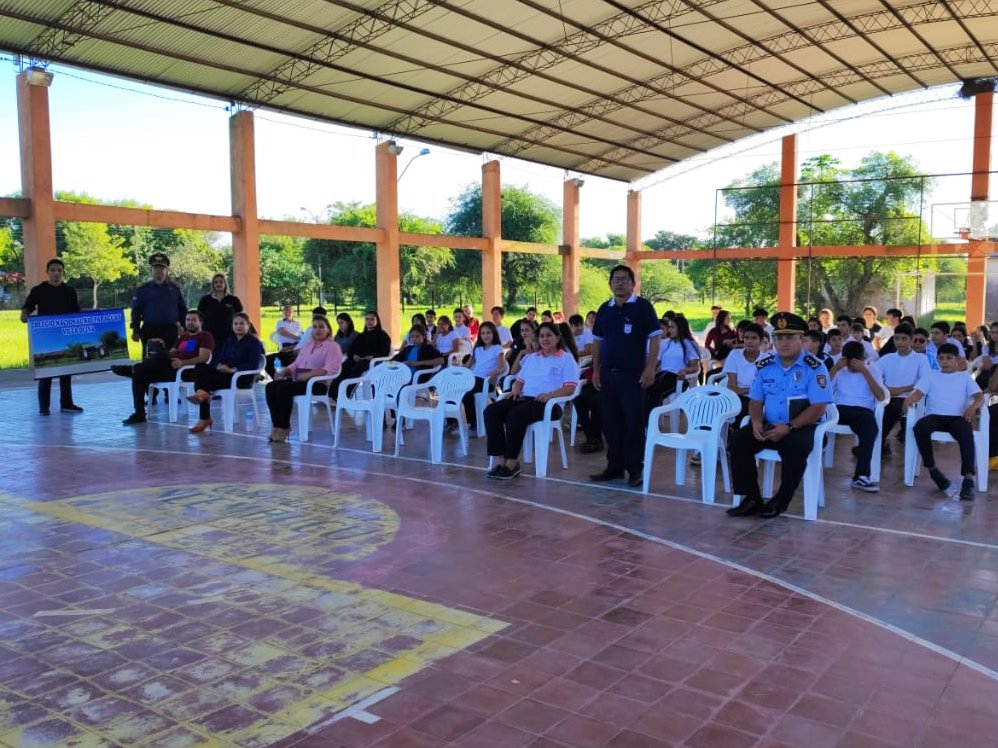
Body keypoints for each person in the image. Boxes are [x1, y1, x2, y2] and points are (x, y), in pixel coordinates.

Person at [727, 312, 833, 519]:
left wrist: (790, 427)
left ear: (801, 340)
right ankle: (751, 497)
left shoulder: (815, 367)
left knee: (795, 448)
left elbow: (819, 407)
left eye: (790, 337)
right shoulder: (765, 366)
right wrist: (756, 421)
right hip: (771, 424)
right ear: (773, 340)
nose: (784, 343)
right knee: (738, 440)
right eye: (779, 338)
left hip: (802, 427)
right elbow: (756, 400)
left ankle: (781, 501)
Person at [590, 265, 661, 487]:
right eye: (616, 279)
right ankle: (614, 467)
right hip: (608, 376)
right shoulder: (605, 309)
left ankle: (635, 469)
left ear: (633, 283)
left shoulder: (643, 307)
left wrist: (650, 368)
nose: (619, 283)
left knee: (633, 423)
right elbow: (597, 341)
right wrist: (595, 369)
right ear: (610, 283)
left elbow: (655, 338)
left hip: (633, 376)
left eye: (624, 280)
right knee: (610, 423)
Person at [484, 322, 580, 480]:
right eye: (541, 336)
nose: (545, 339)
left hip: (550, 404)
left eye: (549, 335)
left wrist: (551, 395)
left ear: (557, 338)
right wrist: (515, 389)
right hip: (525, 398)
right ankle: (502, 461)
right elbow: (519, 380)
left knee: (515, 415)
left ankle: (512, 463)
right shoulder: (532, 358)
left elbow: (570, 387)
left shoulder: (566, 358)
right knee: (492, 411)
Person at [903, 343, 984, 501]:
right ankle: (933, 469)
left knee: (966, 433)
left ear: (957, 360)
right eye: (941, 358)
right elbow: (918, 394)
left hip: (957, 418)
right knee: (920, 427)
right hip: (935, 417)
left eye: (948, 358)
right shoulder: (931, 375)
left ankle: (968, 479)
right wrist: (909, 400)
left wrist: (973, 407)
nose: (944, 361)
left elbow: (979, 397)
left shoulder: (964, 377)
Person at [116, 309, 214, 425]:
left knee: (140, 370)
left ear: (200, 322)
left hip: (187, 371)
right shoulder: (183, 337)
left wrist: (182, 363)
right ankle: (139, 413)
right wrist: (162, 345)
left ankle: (134, 369)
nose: (190, 322)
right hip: (170, 368)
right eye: (188, 320)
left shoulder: (205, 336)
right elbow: (170, 353)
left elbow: (203, 358)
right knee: (141, 373)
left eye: (193, 320)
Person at [265, 315, 344, 443]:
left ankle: (285, 427)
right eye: (314, 327)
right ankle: (277, 426)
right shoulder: (308, 345)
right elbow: (296, 364)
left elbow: (331, 369)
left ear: (328, 330)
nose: (317, 330)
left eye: (321, 327)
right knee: (271, 386)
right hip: (300, 380)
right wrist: (286, 371)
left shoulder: (333, 346)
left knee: (283, 389)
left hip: (318, 383)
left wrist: (310, 375)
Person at [20, 258, 83, 415]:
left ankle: (67, 403)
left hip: (66, 335)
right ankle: (44, 407)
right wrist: (24, 314)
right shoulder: (38, 290)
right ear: (47, 272)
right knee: (45, 373)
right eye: (53, 270)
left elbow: (76, 312)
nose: (56, 273)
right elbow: (27, 307)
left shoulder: (69, 291)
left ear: (63, 272)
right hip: (46, 337)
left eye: (59, 270)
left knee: (66, 371)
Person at [186, 312, 265, 434]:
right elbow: (219, 358)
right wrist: (219, 365)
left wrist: (233, 370)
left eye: (242, 323)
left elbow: (253, 365)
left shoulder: (254, 343)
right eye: (235, 323)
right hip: (225, 375)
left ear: (248, 325)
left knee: (205, 385)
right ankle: (202, 395)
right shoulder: (230, 340)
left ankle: (204, 417)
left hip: (241, 378)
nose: (238, 326)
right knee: (201, 367)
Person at [830, 341, 887, 492]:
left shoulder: (872, 369)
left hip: (863, 411)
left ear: (863, 358)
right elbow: (823, 390)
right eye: (850, 362)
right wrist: (835, 369)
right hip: (840, 408)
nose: (852, 366)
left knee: (870, 428)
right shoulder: (839, 369)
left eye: (856, 361)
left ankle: (861, 476)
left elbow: (881, 396)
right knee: (816, 419)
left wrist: (865, 371)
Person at [877, 322, 930, 453]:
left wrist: (899, 390)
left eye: (904, 338)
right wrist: (901, 388)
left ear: (911, 340)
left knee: (893, 407)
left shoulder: (920, 358)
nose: (899, 342)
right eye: (897, 338)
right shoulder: (887, 358)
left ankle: (876, 443)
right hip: (887, 398)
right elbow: (874, 376)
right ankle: (877, 443)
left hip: (910, 400)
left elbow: (926, 381)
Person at [130, 252, 187, 354]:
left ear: (166, 271)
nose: (159, 271)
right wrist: (135, 330)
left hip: (170, 331)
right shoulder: (142, 290)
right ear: (151, 270)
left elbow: (182, 309)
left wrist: (184, 328)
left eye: (162, 268)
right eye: (156, 268)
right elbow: (136, 311)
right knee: (150, 363)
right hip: (149, 330)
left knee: (170, 361)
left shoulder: (174, 289)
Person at [645, 315, 700, 419]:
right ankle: (645, 422)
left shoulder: (689, 344)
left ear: (681, 328)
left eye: (672, 327)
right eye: (669, 327)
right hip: (663, 375)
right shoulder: (666, 343)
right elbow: (656, 362)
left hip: (677, 378)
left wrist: (684, 370)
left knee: (655, 392)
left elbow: (695, 367)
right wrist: (648, 370)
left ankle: (649, 423)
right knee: (645, 388)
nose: (669, 330)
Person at [461, 321, 505, 434]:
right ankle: (453, 421)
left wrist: (491, 375)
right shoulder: (477, 349)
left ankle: (473, 422)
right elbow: (468, 365)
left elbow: (501, 368)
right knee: (457, 389)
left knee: (466, 390)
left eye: (488, 332)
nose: (486, 335)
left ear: (493, 333)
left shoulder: (497, 348)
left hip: (486, 382)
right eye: (483, 333)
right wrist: (457, 371)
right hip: (473, 379)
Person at [721, 322, 765, 422]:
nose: (749, 341)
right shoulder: (735, 355)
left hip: (757, 400)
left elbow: (764, 389)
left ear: (761, 341)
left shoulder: (766, 359)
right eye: (746, 338)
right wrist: (750, 390)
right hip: (736, 397)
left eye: (754, 338)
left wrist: (745, 390)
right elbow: (731, 387)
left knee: (745, 409)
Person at [197, 273, 243, 348]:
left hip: (229, 335)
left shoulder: (233, 299)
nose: (218, 284)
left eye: (221, 282)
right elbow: (199, 317)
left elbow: (240, 316)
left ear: (225, 283)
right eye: (216, 282)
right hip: (210, 336)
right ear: (213, 284)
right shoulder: (205, 299)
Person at [345, 310, 392, 378]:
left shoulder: (382, 335)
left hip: (372, 361)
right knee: (345, 366)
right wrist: (353, 356)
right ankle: (337, 387)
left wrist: (373, 357)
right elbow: (351, 349)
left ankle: (348, 387)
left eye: (372, 319)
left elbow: (385, 352)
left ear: (377, 321)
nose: (369, 321)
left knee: (356, 369)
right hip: (358, 360)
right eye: (367, 319)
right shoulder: (361, 335)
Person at [265, 304, 304, 378]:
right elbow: (282, 332)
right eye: (285, 311)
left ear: (293, 312)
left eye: (289, 310)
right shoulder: (280, 322)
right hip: (287, 345)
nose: (287, 312)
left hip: (297, 345)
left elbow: (302, 333)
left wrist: (300, 339)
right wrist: (296, 337)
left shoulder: (297, 323)